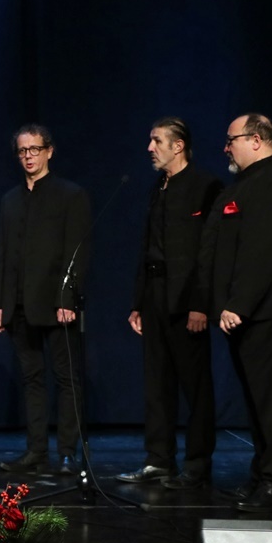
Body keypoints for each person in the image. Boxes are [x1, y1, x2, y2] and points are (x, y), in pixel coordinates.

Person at [202, 113, 272, 513]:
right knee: (259, 401)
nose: (226, 148)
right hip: (255, 315)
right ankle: (263, 474)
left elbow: (262, 251)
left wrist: (239, 304)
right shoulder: (252, 182)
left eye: (231, 140)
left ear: (256, 139)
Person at [116, 118, 222, 489]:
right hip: (155, 296)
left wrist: (200, 304)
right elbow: (148, 248)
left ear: (178, 146)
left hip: (187, 298)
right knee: (157, 384)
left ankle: (197, 464)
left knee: (195, 386)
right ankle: (159, 460)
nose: (150, 148)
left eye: (157, 140)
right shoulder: (158, 186)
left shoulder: (205, 185)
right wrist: (138, 302)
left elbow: (209, 251)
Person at [0, 124, 91, 476]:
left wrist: (67, 299)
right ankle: (36, 450)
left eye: (34, 149)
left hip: (56, 303)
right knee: (31, 378)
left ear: (49, 151)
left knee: (66, 378)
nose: (28, 156)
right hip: (19, 305)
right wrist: (0, 302)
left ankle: (67, 452)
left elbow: (77, 252)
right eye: (22, 151)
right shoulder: (10, 199)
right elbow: (4, 255)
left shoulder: (70, 194)